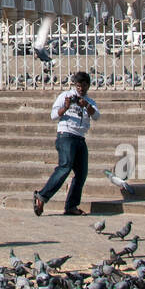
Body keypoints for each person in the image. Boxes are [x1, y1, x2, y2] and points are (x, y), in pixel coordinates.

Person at [33, 71, 99, 217]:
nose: (81, 89)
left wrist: (86, 105)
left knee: (82, 173)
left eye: (84, 86)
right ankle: (42, 196)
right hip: (66, 135)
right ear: (75, 85)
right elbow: (53, 115)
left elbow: (96, 116)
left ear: (88, 86)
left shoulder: (90, 101)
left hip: (80, 137)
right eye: (78, 85)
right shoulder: (65, 96)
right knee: (65, 166)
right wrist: (66, 107)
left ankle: (71, 206)